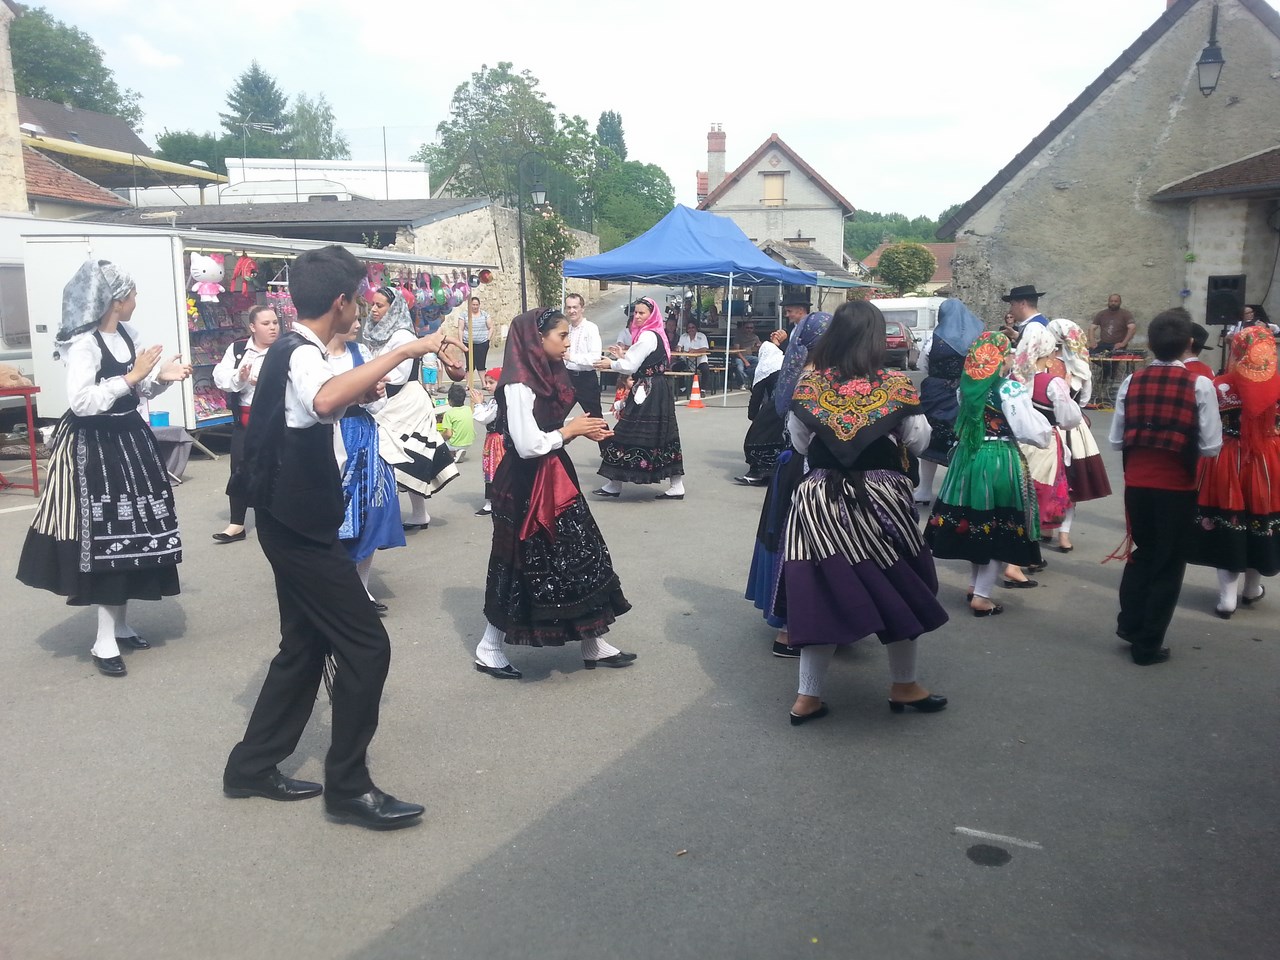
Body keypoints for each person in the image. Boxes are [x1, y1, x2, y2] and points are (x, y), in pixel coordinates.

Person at [223, 245, 458, 828]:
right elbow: (325, 396)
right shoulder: (298, 351)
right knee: (366, 647)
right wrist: (406, 348)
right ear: (341, 302)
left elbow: (327, 398)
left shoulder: (300, 351)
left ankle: (250, 767)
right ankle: (349, 787)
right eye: (358, 298)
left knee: (303, 648)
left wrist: (369, 383)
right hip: (298, 530)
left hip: (295, 520)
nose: (363, 308)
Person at [772, 301, 949, 725]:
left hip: (818, 501)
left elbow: (798, 444)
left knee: (819, 592)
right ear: (874, 338)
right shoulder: (896, 385)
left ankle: (807, 698)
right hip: (881, 499)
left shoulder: (808, 387)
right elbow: (920, 441)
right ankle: (904, 685)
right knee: (901, 585)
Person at [16, 259, 192, 678]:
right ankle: (103, 638)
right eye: (131, 295)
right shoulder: (85, 344)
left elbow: (136, 387)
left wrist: (161, 378)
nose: (135, 301)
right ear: (116, 300)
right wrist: (131, 378)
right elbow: (81, 401)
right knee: (108, 536)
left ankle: (121, 623)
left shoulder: (127, 334)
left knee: (136, 535)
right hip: (96, 446)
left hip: (130, 439)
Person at [473, 308, 634, 680]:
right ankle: (489, 646)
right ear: (536, 338)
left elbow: (549, 428)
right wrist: (572, 430)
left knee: (580, 552)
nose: (567, 343)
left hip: (555, 474)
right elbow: (528, 444)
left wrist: (583, 428)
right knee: (519, 562)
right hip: (525, 482)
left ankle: (592, 642)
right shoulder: (518, 383)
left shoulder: (549, 371)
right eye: (561, 336)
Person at [1107, 307, 1222, 666]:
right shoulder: (1199, 384)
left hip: (1138, 484)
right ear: (1189, 343)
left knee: (1143, 553)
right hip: (1177, 486)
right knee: (1169, 563)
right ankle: (1148, 644)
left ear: (1151, 344)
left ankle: (1130, 624)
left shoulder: (1132, 381)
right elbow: (1210, 445)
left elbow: (1115, 439)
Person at [926, 332, 1053, 616]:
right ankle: (982, 596)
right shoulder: (1008, 389)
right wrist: (1047, 434)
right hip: (997, 459)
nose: (1010, 360)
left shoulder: (967, 388)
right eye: (1007, 355)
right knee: (997, 525)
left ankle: (975, 585)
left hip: (967, 457)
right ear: (997, 359)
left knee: (976, 522)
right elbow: (1028, 429)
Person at [745, 311, 833, 658]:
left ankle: (799, 622)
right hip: (805, 466)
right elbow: (801, 436)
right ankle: (790, 628)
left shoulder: (799, 371)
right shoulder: (812, 379)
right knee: (800, 543)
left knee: (793, 540)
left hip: (793, 465)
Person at [1188, 325, 1280, 618]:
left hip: (1227, 458)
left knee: (1230, 516)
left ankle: (1227, 598)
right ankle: (1252, 589)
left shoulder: (1220, 384)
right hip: (1268, 459)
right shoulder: (1278, 384)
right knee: (1259, 517)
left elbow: (1206, 424)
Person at [326, 315, 404, 614]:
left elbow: (377, 406)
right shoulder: (315, 357)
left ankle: (361, 588)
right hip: (332, 433)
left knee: (371, 511)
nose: (358, 323)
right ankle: (335, 587)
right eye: (353, 317)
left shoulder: (362, 354)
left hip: (364, 434)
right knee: (337, 513)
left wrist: (376, 395)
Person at [364, 286, 456, 531]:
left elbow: (399, 373)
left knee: (401, 456)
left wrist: (371, 376)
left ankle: (404, 514)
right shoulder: (376, 333)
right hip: (385, 400)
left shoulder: (402, 336)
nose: (373, 309)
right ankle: (416, 514)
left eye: (380, 305)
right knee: (400, 457)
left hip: (404, 402)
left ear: (393, 309)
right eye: (373, 304)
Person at [593, 296, 686, 500]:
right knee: (663, 433)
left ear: (651, 315)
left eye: (642, 313)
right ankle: (675, 485)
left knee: (625, 431)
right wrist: (621, 357)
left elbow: (631, 366)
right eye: (635, 312)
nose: (637, 316)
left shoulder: (647, 337)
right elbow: (637, 360)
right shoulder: (655, 334)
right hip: (657, 388)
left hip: (649, 389)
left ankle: (614, 484)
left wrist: (611, 364)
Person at [1010, 323, 1083, 563]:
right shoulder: (1053, 383)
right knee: (1039, 497)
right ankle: (1022, 557)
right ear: (1049, 355)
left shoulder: (1013, 378)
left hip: (1016, 444)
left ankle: (1022, 553)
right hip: (1044, 445)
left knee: (1019, 496)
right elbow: (1069, 419)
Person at [212, 305, 280, 544]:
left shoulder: (285, 350)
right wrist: (239, 377)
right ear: (252, 326)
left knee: (277, 469)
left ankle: (278, 519)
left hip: (276, 421)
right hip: (245, 419)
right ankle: (236, 524)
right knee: (239, 469)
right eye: (266, 324)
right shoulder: (239, 349)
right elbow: (220, 377)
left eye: (275, 322)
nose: (273, 328)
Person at [1046, 318, 1111, 552]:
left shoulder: (1042, 364)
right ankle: (1064, 534)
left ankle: (1045, 526)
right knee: (1071, 483)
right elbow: (1084, 400)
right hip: (1072, 429)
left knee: (1044, 480)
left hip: (1045, 427)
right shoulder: (1080, 367)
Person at [913, 299, 984, 504]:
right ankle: (957, 490)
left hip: (935, 393)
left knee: (930, 441)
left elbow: (922, 365)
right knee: (961, 440)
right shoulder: (978, 337)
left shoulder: (934, 339)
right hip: (966, 392)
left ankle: (925, 489)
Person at [736, 329, 788, 485]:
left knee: (756, 437)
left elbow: (756, 395)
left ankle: (757, 472)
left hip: (775, 404)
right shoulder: (785, 362)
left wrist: (753, 416)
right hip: (789, 407)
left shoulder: (765, 366)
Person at [562, 292, 603, 417]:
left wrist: (572, 357)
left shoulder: (591, 328)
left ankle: (608, 437)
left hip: (586, 379)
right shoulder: (566, 329)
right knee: (556, 416)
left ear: (582, 309)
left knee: (595, 419)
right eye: (569, 307)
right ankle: (556, 436)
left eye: (575, 307)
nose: (572, 311)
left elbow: (595, 358)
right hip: (568, 378)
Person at [473, 367, 503, 517]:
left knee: (497, 470)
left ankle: (496, 501)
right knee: (490, 470)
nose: (487, 385)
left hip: (499, 440)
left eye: (491, 382)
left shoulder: (501, 402)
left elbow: (484, 418)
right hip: (492, 439)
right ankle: (491, 502)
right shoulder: (494, 400)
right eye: (486, 382)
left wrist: (478, 404)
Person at [439, 382, 476, 461]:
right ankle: (458, 452)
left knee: (439, 445)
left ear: (450, 400)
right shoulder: (468, 409)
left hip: (455, 443)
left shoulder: (449, 413)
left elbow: (448, 434)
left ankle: (453, 455)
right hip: (469, 441)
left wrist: (440, 437)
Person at [674, 320, 713, 393]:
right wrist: (678, 348)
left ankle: (703, 389)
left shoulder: (701, 336)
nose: (691, 329)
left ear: (696, 328)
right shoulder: (683, 336)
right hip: (687, 360)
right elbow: (679, 346)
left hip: (700, 361)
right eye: (689, 328)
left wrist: (694, 351)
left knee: (705, 370)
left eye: (693, 327)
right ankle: (682, 388)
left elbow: (705, 349)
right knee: (675, 368)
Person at [460, 295, 493, 378]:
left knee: (481, 364)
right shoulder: (464, 315)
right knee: (470, 365)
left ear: (479, 305)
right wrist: (460, 343)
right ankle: (468, 384)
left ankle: (484, 383)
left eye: (476, 304)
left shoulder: (485, 314)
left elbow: (491, 327)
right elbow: (460, 329)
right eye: (473, 304)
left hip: (482, 343)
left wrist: (488, 339)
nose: (475, 306)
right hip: (468, 343)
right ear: (470, 305)